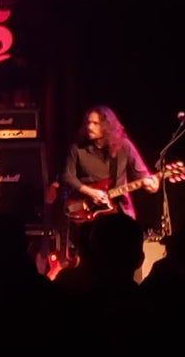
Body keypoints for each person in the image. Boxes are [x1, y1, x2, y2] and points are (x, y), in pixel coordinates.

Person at [61, 105, 160, 257]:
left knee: (124, 253)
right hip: (87, 213)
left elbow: (143, 175)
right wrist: (91, 192)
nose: (89, 127)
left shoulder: (124, 147)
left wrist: (152, 184)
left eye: (95, 123)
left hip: (118, 212)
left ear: (107, 126)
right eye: (88, 123)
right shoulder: (78, 148)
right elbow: (68, 176)